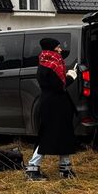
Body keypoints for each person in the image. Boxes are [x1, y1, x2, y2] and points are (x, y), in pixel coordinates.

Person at [25, 38, 78, 181]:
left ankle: (65, 168)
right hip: (54, 104)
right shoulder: (51, 65)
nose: (60, 49)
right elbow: (59, 86)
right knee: (48, 135)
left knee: (64, 134)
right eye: (58, 47)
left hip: (54, 103)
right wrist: (70, 78)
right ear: (52, 48)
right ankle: (32, 167)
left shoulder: (46, 63)